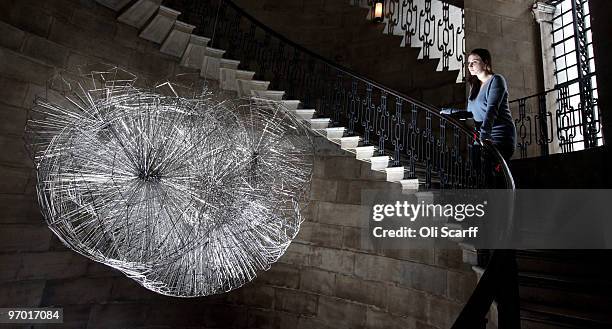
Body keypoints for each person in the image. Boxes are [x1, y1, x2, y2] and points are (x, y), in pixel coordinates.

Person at [441, 48, 517, 161]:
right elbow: (470, 114)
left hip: (500, 136)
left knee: (489, 168)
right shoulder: (474, 86)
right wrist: (449, 112)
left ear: (485, 62)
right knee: (476, 169)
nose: (470, 65)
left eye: (474, 62)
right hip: (481, 137)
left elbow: (492, 110)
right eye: (468, 63)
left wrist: (485, 135)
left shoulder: (496, 80)